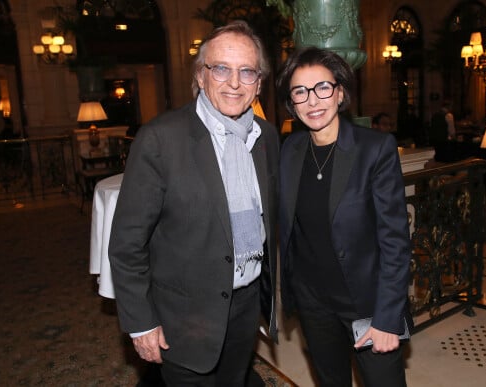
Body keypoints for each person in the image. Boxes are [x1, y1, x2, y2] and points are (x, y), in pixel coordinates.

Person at [108, 20, 279, 386]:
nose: (234, 83)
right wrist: (141, 322)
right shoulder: (160, 140)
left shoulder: (265, 137)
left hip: (245, 307)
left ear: (259, 83)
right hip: (183, 318)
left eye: (247, 71)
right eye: (221, 68)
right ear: (201, 76)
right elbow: (127, 244)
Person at [276, 46, 412, 387]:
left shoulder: (374, 149)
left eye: (323, 87)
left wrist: (387, 318)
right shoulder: (289, 151)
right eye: (300, 92)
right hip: (313, 304)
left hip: (365, 302)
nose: (313, 101)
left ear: (339, 92)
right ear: (291, 103)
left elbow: (395, 241)